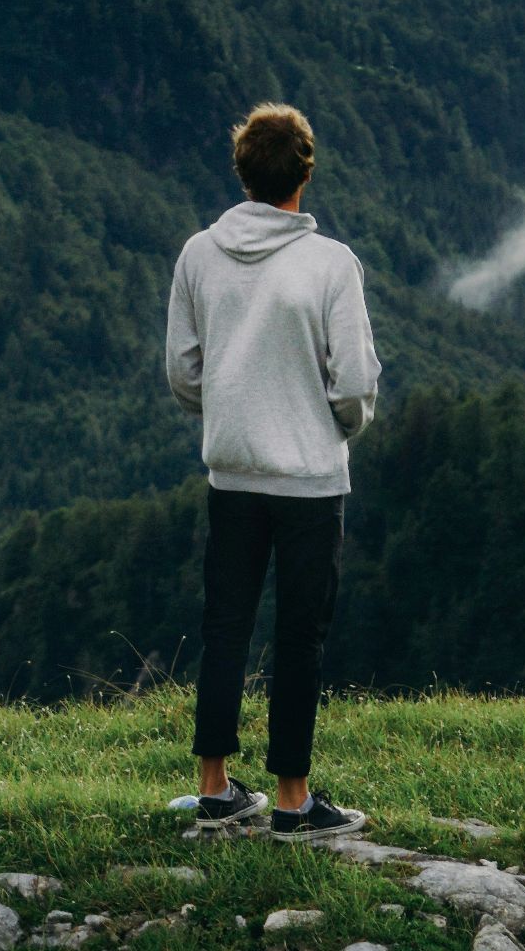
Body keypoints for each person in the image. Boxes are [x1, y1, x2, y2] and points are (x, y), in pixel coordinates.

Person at [164, 103, 382, 841]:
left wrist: (228, 413)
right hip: (310, 480)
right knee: (298, 635)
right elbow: (352, 383)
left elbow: (182, 370)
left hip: (231, 470)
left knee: (224, 624)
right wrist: (337, 429)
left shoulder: (199, 253)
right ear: (306, 173)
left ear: (242, 172)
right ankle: (294, 802)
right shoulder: (331, 264)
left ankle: (215, 790)